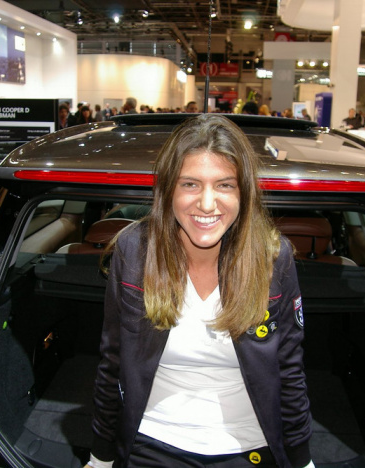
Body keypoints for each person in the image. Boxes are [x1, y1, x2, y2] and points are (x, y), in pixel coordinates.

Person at [88, 114, 313, 468]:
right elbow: (112, 361)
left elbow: (289, 370)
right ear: (168, 190)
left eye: (224, 185)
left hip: (250, 447)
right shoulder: (134, 251)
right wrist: (101, 456)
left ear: (244, 192)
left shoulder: (273, 257)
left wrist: (301, 460)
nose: (207, 204)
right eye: (190, 184)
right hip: (152, 442)